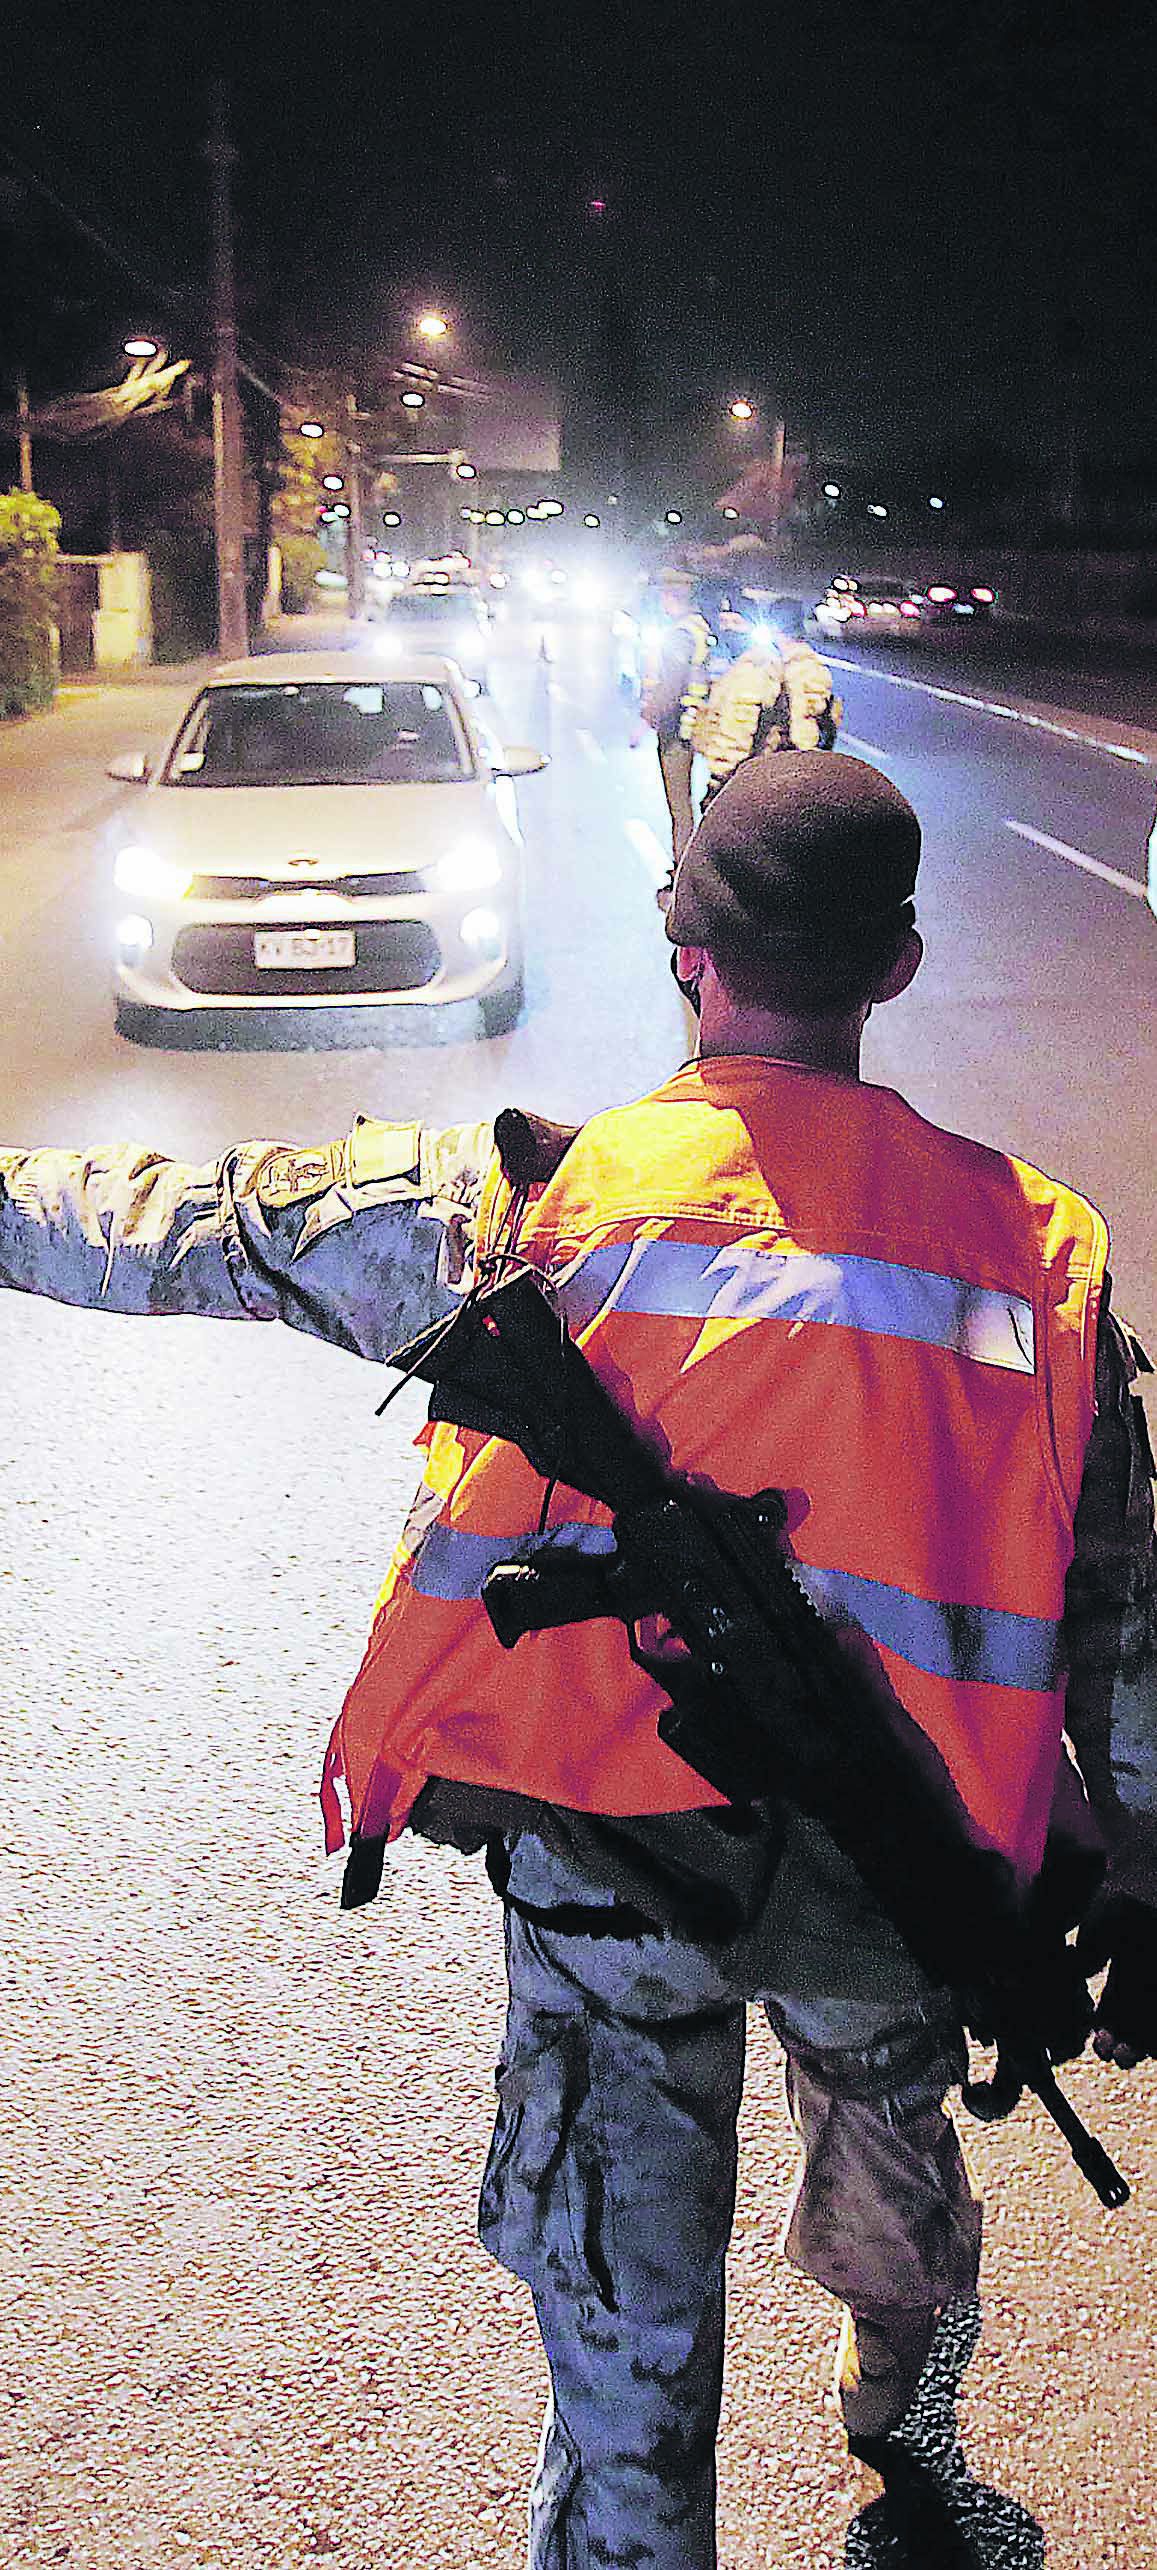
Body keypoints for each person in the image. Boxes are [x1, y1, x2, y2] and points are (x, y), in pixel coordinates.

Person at [1, 758, 1155, 2568]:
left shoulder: (526, 1209)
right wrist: (1144, 1887)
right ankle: (895, 2403)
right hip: (903, 1858)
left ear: (681, 945)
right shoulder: (1039, 1257)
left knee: (626, 2320)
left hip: (610, 1854)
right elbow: (1122, 1634)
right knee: (886, 2126)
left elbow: (168, 1231)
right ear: (899, 966)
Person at [690, 595, 841, 808]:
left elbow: (738, 725)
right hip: (789, 777)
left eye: (734, 622)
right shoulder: (812, 666)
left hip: (754, 776)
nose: (727, 630)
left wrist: (719, 778)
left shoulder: (758, 665)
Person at [638, 569, 715, 860]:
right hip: (693, 721)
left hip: (677, 729)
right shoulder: (699, 627)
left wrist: (646, 718)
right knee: (686, 804)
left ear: (670, 596)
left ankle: (683, 870)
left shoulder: (680, 634)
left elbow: (672, 683)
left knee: (679, 806)